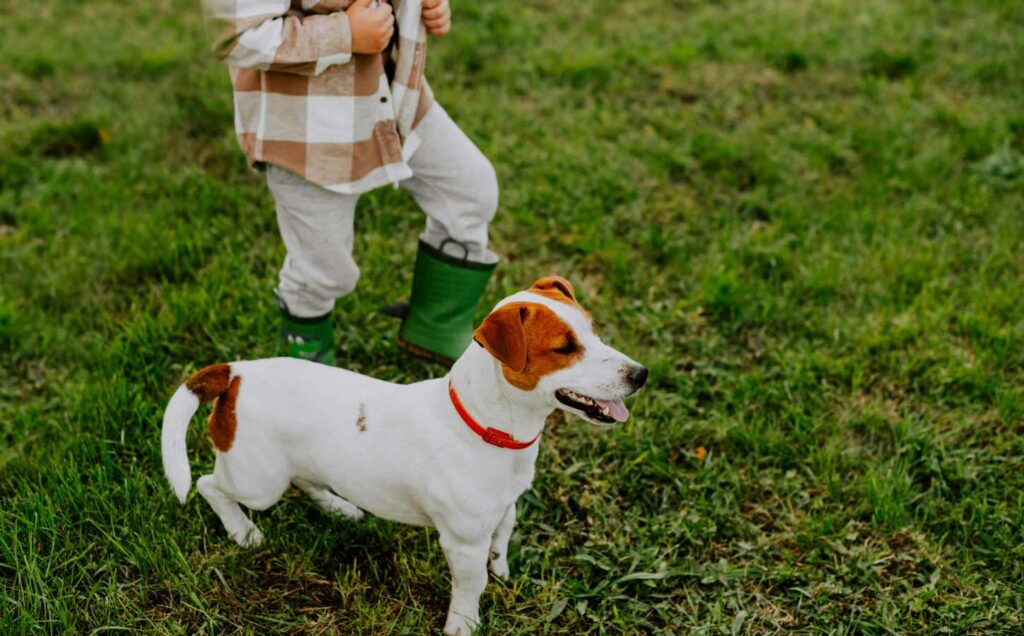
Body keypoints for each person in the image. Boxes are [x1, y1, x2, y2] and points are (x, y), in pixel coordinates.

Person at [200, 0, 499, 366]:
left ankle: (436, 325)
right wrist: (344, 33)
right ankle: (305, 357)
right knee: (326, 273)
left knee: (470, 190)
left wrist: (426, 8)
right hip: (309, 132)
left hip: (395, 102)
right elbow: (234, 36)